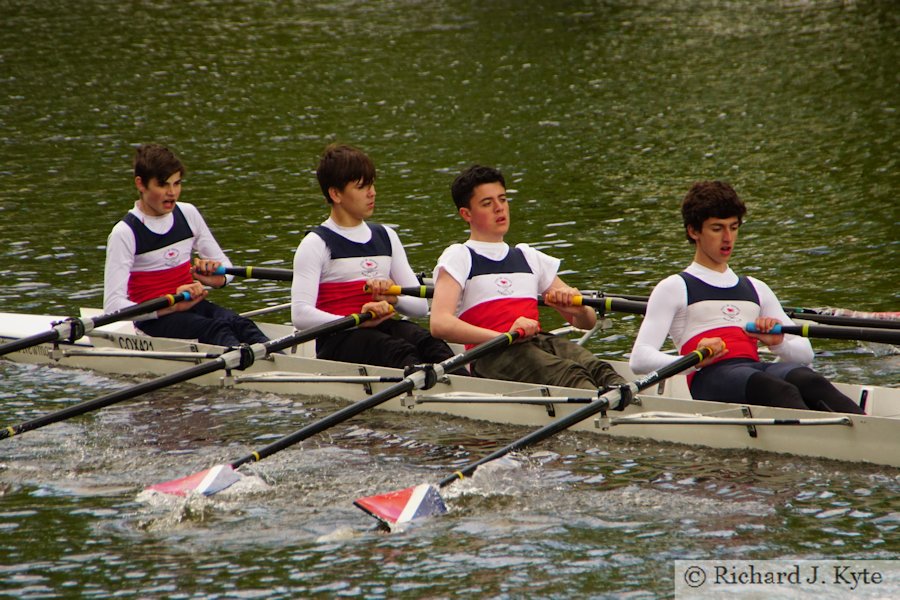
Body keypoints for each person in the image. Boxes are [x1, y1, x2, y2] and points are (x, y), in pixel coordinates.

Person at [629, 180, 863, 414]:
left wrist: (778, 342)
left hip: (753, 369)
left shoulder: (756, 288)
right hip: (710, 378)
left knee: (811, 381)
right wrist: (694, 359)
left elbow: (805, 353)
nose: (728, 238)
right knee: (779, 390)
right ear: (693, 231)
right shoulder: (674, 287)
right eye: (717, 228)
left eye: (733, 227)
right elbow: (639, 359)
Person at [429, 164, 626, 390]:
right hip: (492, 354)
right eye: (487, 203)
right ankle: (605, 417)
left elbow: (587, 322)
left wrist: (578, 310)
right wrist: (506, 335)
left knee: (598, 369)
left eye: (502, 199)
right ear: (466, 214)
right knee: (571, 375)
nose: (499, 208)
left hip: (538, 342)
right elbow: (439, 323)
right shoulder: (460, 256)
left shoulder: (528, 256)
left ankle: (627, 407)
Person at [291, 143, 457, 369]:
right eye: (361, 187)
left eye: (372, 184)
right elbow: (300, 315)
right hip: (338, 339)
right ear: (336, 194)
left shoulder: (386, 236)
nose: (372, 193)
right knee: (400, 352)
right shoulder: (316, 243)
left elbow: (420, 308)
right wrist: (357, 318)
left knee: (432, 345)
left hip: (382, 330)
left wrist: (393, 298)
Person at [103, 144, 269, 348]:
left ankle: (286, 366)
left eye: (177, 183)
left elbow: (227, 266)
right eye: (163, 185)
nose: (172, 193)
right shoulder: (125, 233)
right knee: (216, 329)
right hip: (154, 322)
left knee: (240, 324)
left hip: (194, 307)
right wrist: (171, 305)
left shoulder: (187, 214)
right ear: (141, 184)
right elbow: (113, 308)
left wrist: (219, 279)